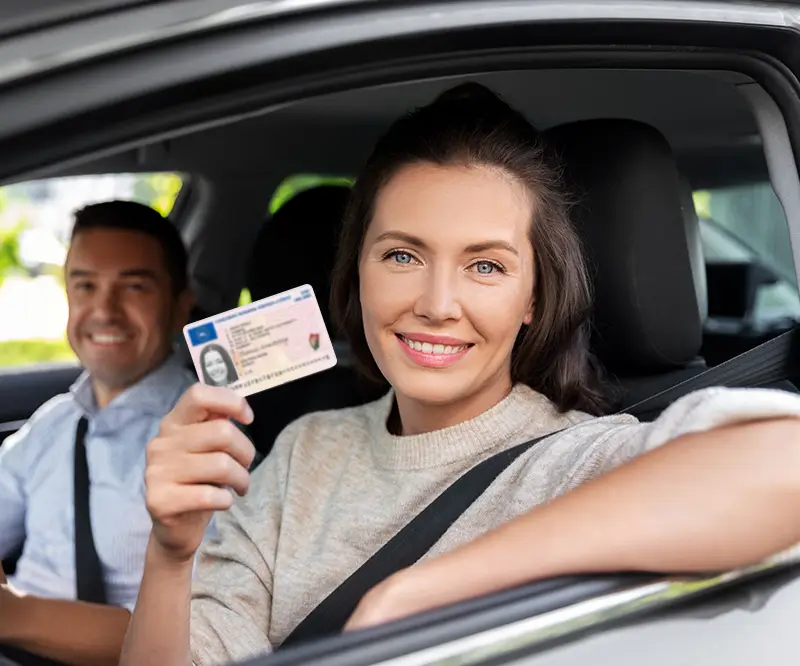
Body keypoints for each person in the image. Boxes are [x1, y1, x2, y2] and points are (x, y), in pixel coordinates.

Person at [121, 84, 800, 666]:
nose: (437, 305)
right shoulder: (303, 452)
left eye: (486, 266)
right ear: (358, 271)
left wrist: (419, 593)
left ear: (533, 296)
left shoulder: (576, 462)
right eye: (402, 256)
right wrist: (171, 557)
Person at [0, 201, 194, 666]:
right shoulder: (53, 423)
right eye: (85, 285)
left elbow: (195, 635)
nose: (104, 310)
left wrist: (10, 615)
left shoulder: (207, 437)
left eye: (134, 286)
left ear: (179, 304)